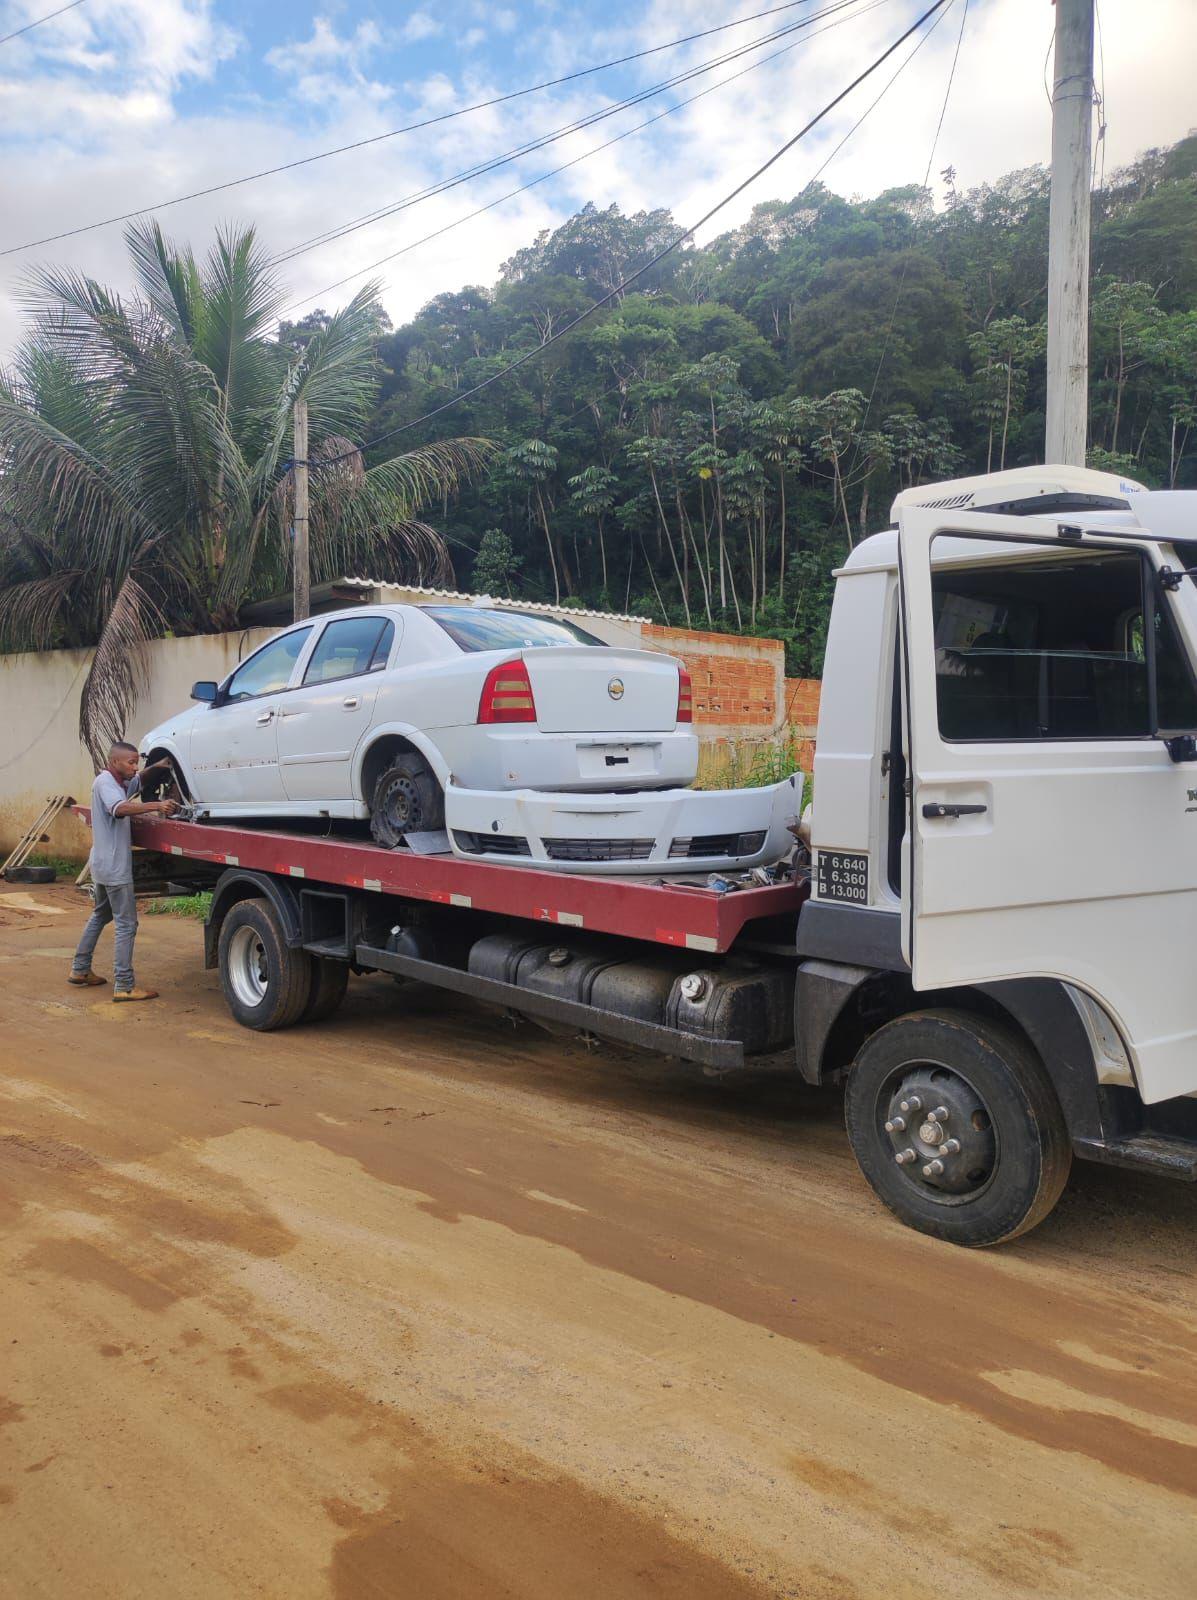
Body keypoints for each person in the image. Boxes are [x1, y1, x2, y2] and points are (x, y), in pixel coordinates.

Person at [69, 742, 178, 1002]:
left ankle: (80, 969)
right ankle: (125, 985)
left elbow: (138, 781)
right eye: (130, 762)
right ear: (114, 761)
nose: (135, 767)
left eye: (136, 762)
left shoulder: (119, 782)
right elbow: (119, 808)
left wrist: (158, 766)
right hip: (114, 868)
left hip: (102, 864)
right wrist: (157, 805)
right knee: (127, 924)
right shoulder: (105, 782)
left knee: (101, 915)